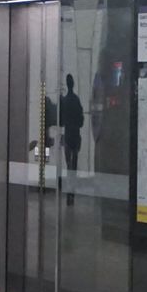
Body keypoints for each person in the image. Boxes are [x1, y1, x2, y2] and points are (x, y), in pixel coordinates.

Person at [59, 73, 85, 208]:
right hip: (76, 135)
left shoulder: (64, 101)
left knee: (68, 164)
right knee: (74, 165)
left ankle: (69, 191)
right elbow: (81, 120)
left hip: (68, 135)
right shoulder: (76, 99)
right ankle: (72, 192)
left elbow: (60, 120)